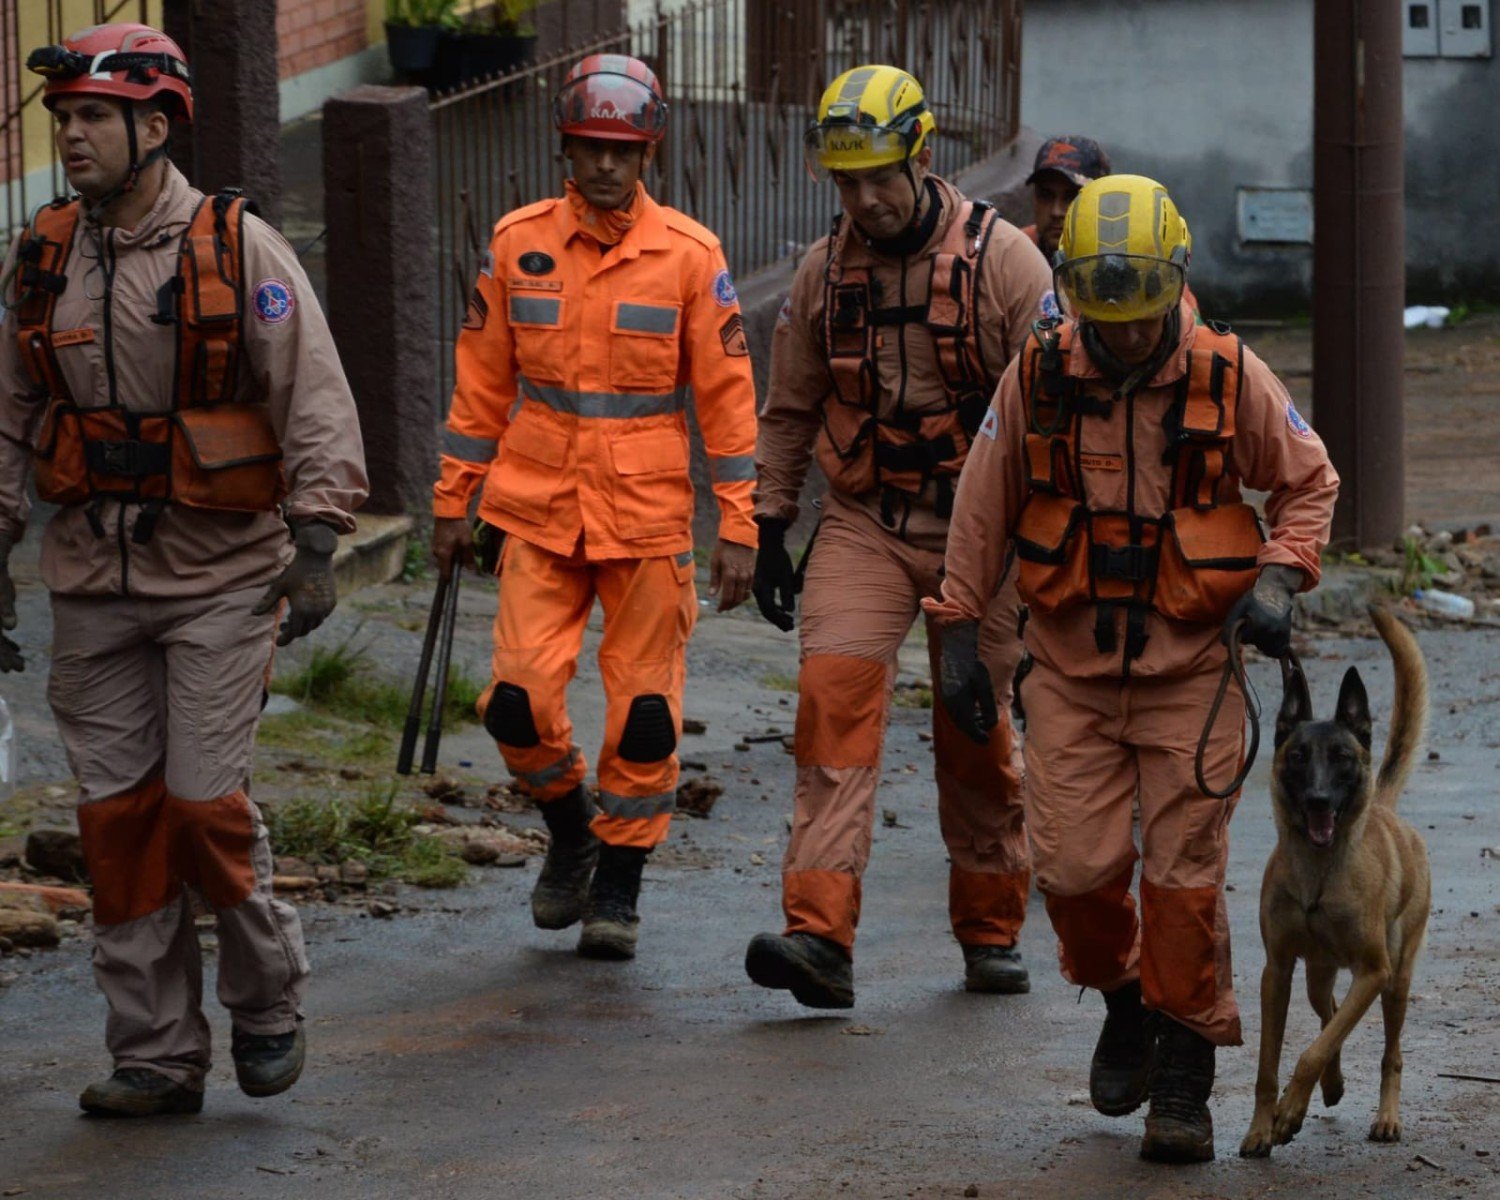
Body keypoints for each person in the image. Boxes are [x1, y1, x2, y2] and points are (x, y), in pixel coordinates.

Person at [926, 174, 1338, 1161]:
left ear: (1173, 289)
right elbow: (984, 504)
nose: (1121, 341)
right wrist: (955, 628)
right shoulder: (1043, 371)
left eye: (1139, 321)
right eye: (1103, 324)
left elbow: (1307, 480)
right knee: (1071, 871)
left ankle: (1186, 1072)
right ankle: (1124, 1001)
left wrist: (1280, 579)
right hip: (1069, 667)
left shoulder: (1228, 374)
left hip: (1193, 670)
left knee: (1185, 879)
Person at [0, 23, 368, 1116]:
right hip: (91, 585)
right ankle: (156, 1052)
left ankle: (267, 1003)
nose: (71, 137)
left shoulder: (236, 247)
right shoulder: (46, 254)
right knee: (117, 823)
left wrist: (316, 543)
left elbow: (313, 394)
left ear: (155, 127)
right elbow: (13, 415)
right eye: (63, 119)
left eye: (93, 118)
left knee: (203, 808)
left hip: (221, 578)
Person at [432, 54, 758, 963]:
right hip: (535, 508)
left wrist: (740, 524)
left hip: (648, 515)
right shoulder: (516, 244)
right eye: (589, 148)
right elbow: (480, 387)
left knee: (645, 712)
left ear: (647, 149)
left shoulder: (691, 258)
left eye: (621, 149)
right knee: (516, 703)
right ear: (565, 147)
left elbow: (729, 401)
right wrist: (452, 501)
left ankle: (619, 881)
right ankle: (571, 829)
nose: (605, 166)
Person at [744, 65, 1052, 1009]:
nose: (863, 199)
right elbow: (791, 408)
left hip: (984, 538)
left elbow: (1057, 417)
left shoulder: (1007, 266)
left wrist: (1045, 556)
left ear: (922, 156)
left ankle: (992, 927)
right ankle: (819, 938)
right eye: (845, 181)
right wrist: (767, 524)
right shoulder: (822, 272)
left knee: (975, 732)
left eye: (879, 175)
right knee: (831, 707)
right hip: (867, 524)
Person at [1022, 135, 1112, 261]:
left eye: (1072, 198)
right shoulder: (1012, 253)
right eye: (1046, 196)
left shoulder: (1119, 262)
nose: (1056, 211)